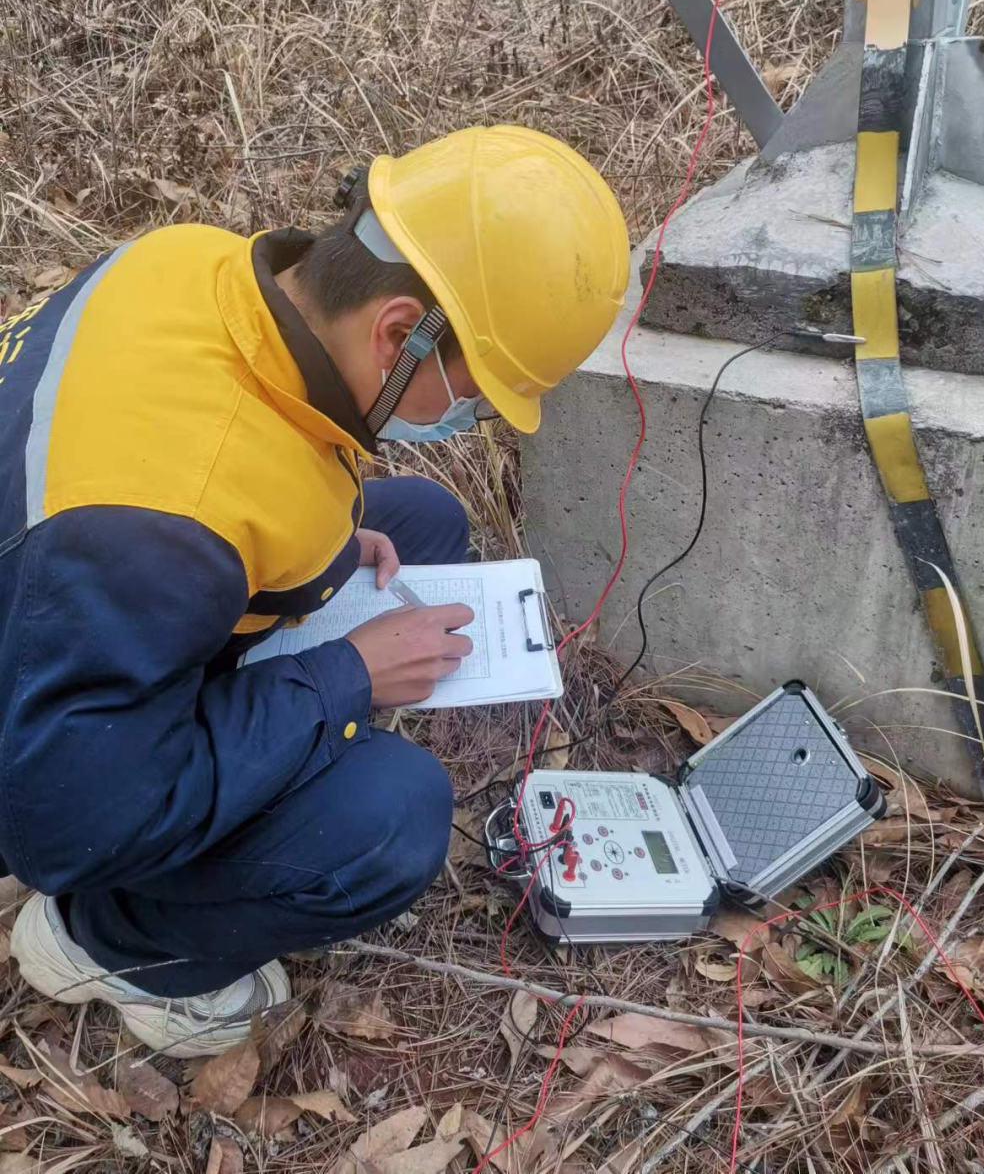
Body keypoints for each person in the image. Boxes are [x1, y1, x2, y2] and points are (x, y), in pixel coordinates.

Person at [0, 125, 629, 1056]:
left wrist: (326, 546)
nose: (475, 417)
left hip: (82, 601)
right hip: (55, 760)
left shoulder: (192, 261)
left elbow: (232, 461)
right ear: (395, 332)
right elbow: (67, 823)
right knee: (394, 819)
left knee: (417, 523)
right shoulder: (164, 534)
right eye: (478, 393)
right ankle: (106, 943)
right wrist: (345, 677)